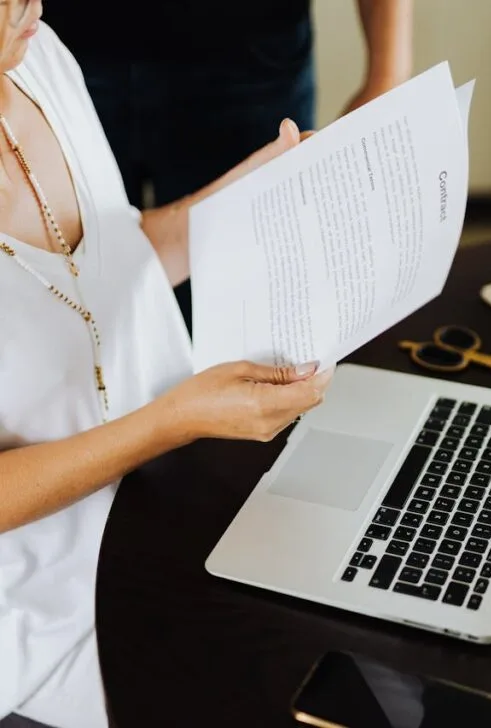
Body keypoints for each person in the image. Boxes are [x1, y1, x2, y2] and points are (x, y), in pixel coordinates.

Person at [0, 2, 332, 726]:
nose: (33, 4)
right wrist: (170, 423)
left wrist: (245, 195)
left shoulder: (42, 58)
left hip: (186, 510)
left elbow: (116, 253)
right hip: (55, 615)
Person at [42, 0, 414, 331]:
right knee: (68, 305)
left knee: (252, 321)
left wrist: (388, 73)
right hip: (55, 47)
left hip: (252, 59)